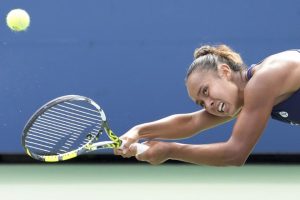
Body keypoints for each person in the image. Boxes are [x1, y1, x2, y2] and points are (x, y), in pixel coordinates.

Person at [114, 44, 300, 166]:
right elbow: (191, 122)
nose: (209, 104)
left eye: (206, 91)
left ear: (225, 71)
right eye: (201, 103)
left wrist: (170, 150)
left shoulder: (263, 80)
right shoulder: (242, 96)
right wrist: (137, 132)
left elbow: (236, 153)